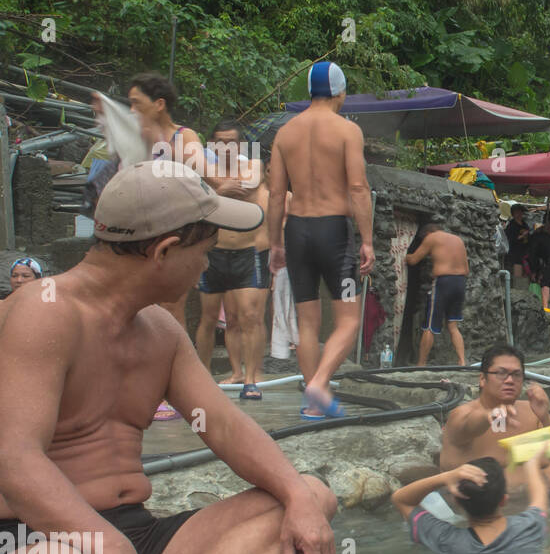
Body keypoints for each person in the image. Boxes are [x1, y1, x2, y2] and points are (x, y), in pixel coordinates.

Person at [0, 161, 338, 554]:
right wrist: (106, 547)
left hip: (139, 535)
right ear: (164, 251)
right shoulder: (43, 314)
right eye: (203, 251)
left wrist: (296, 495)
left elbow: (225, 427)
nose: (208, 266)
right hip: (35, 544)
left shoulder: (160, 330)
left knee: (311, 498)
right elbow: (15, 460)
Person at [267, 61, 375, 419]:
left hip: (296, 231)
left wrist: (276, 245)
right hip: (333, 232)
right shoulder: (347, 131)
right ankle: (319, 384)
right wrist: (367, 240)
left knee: (307, 322)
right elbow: (358, 187)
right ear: (340, 94)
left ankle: (314, 403)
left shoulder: (285, 134)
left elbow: (276, 195)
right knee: (348, 320)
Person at [195, 120, 271, 397]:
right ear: (212, 146)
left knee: (250, 315)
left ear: (239, 145)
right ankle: (202, 378)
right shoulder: (206, 172)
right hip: (213, 252)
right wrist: (219, 191)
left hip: (246, 251)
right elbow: (197, 202)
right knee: (208, 318)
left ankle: (250, 379)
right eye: (220, 142)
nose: (225, 147)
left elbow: (247, 187)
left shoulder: (253, 167)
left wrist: (214, 191)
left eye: (231, 142)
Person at [127, 72, 205, 333]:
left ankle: (177, 368)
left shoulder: (185, 137)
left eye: (137, 103)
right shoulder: (133, 138)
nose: (131, 109)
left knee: (171, 306)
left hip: (175, 233)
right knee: (138, 305)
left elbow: (201, 172)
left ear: (159, 104)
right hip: (137, 232)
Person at [391, 450, 548, 554]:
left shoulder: (445, 540)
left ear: (457, 502)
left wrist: (447, 477)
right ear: (504, 500)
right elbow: (540, 494)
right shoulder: (530, 527)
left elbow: (401, 499)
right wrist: (532, 464)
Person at [439, 345, 550, 496]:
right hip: (473, 512)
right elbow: (469, 426)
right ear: (482, 379)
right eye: (501, 373)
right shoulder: (461, 415)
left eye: (516, 374)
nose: (509, 380)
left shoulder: (532, 413)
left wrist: (545, 417)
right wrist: (489, 416)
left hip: (529, 508)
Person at [406, 221, 469, 366]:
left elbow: (414, 260)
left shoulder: (432, 237)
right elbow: (467, 269)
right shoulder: (458, 240)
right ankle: (462, 361)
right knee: (453, 325)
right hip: (460, 282)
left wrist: (404, 254)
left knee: (430, 325)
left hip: (443, 282)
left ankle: (421, 364)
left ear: (427, 234)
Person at [504, 204, 530, 279]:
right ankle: (517, 284)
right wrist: (522, 236)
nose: (519, 214)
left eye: (520, 212)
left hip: (525, 251)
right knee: (517, 265)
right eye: (517, 212)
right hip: (515, 252)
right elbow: (511, 238)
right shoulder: (511, 225)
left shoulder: (525, 224)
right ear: (513, 213)